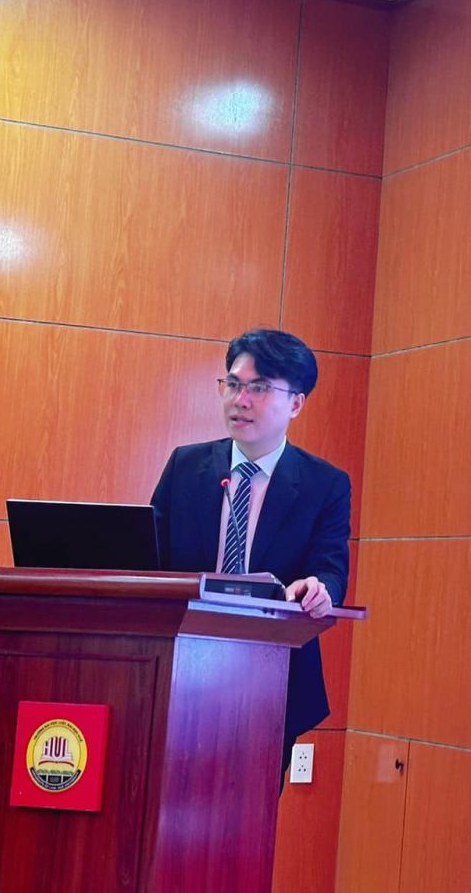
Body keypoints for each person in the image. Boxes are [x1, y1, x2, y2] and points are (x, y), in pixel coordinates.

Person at [150, 328, 351, 785]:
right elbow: (148, 558)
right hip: (180, 674)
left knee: (247, 814)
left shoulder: (324, 484)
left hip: (270, 684)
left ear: (296, 403)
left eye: (258, 388)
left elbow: (330, 569)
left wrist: (318, 588)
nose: (240, 400)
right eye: (233, 384)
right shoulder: (186, 467)